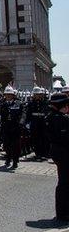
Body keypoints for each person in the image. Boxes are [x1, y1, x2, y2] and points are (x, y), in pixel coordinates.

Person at [46, 92, 69, 221]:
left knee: (63, 182)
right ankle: (63, 213)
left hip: (56, 150)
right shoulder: (61, 119)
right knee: (65, 183)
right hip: (64, 152)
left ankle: (62, 212)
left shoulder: (51, 116)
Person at [0, 85, 25, 169]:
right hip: (6, 127)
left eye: (10, 94)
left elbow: (23, 114)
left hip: (16, 127)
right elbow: (0, 115)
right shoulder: (2, 104)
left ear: (13, 95)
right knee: (6, 144)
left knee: (16, 145)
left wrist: (21, 123)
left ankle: (15, 160)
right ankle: (8, 158)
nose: (8, 96)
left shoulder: (19, 103)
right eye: (6, 94)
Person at [28, 87, 50, 160]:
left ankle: (44, 152)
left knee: (44, 137)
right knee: (35, 138)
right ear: (34, 95)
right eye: (36, 94)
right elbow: (28, 113)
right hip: (34, 122)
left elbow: (47, 112)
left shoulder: (45, 102)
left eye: (39, 94)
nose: (38, 95)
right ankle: (38, 153)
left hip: (43, 122)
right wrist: (28, 122)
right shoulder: (30, 103)